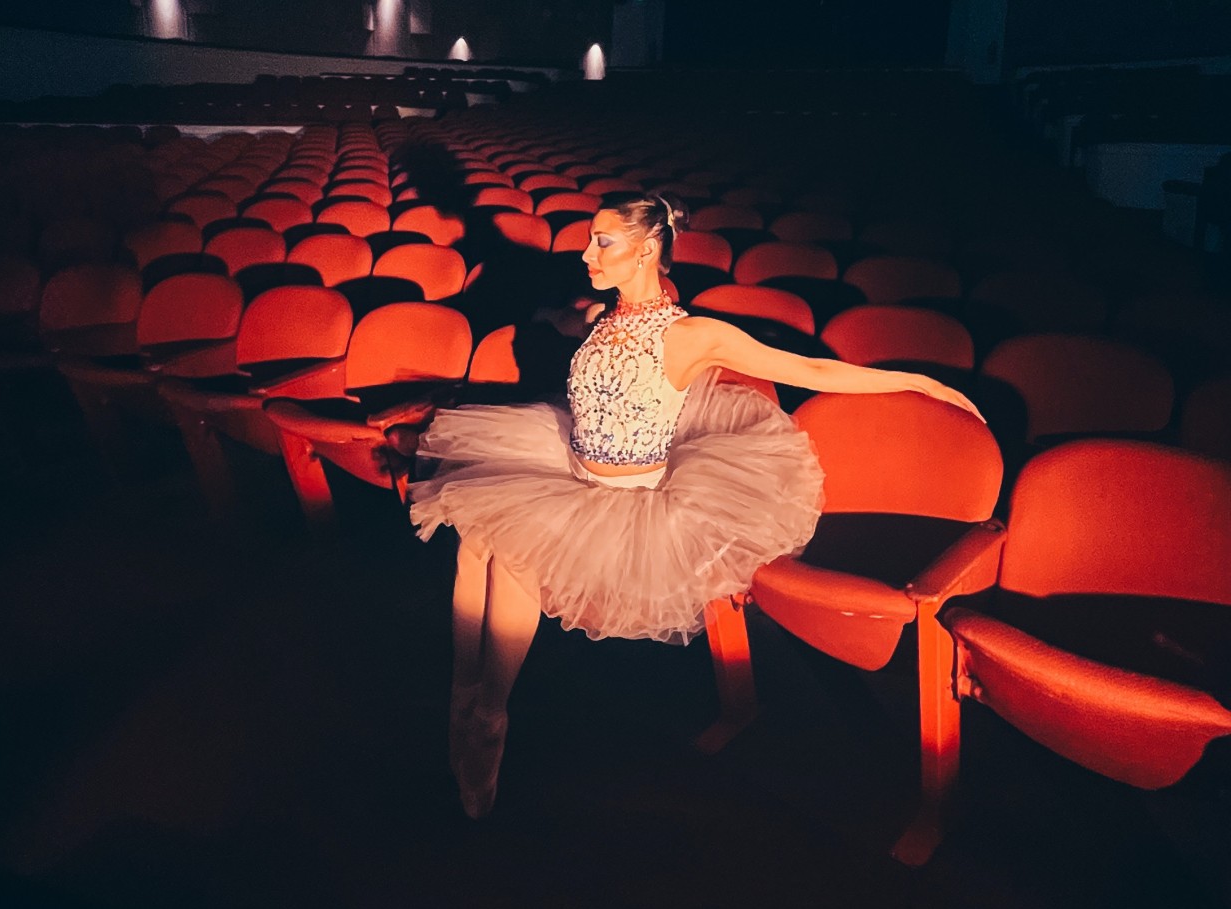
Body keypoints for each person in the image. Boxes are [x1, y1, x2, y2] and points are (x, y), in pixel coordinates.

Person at [408, 192, 983, 818]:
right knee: (475, 540)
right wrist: (551, 317)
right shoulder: (600, 316)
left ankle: (490, 716)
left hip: (626, 503)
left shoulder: (692, 335)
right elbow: (562, 320)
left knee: (514, 552)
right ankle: (464, 693)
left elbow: (810, 370)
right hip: (566, 471)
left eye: (602, 241)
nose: (587, 253)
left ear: (647, 248)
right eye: (590, 240)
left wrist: (920, 381)